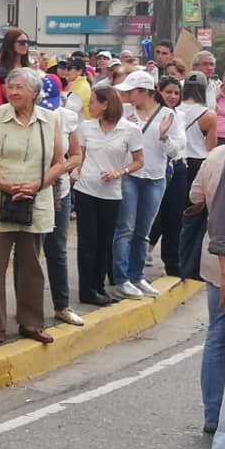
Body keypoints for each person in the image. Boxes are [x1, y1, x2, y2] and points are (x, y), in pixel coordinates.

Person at [0, 68, 64, 345]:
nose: (12, 92)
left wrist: (38, 184)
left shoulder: (49, 120)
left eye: (19, 88)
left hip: (35, 201)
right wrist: (2, 183)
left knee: (31, 266)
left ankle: (30, 322)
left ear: (34, 93)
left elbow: (60, 162)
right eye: (9, 87)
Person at [111, 70, 185, 300]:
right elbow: (112, 143)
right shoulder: (124, 113)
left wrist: (164, 137)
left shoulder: (169, 115)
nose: (128, 97)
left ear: (145, 92)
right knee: (125, 228)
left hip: (155, 178)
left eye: (131, 92)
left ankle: (137, 276)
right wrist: (124, 127)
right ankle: (121, 279)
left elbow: (176, 152)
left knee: (143, 231)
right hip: (129, 176)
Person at [72, 86, 144, 306]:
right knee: (87, 241)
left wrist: (119, 172)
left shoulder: (130, 130)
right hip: (86, 189)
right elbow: (79, 155)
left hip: (111, 193)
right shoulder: (85, 127)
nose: (89, 105)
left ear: (105, 104)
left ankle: (99, 285)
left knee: (104, 242)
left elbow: (139, 161)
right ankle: (87, 289)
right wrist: (74, 171)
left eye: (93, 101)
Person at [191, 140, 225, 449]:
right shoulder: (224, 158)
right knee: (219, 337)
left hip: (214, 262)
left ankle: (214, 415)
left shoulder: (215, 155)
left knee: (217, 337)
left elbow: (194, 196)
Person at [35, 76, 84, 326]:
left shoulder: (66, 117)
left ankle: (62, 305)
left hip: (59, 191)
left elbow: (76, 154)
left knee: (57, 249)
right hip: (31, 190)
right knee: (29, 253)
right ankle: (28, 309)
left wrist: (63, 167)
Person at [147, 76, 190, 277]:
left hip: (175, 170)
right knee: (145, 219)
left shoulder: (177, 116)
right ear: (158, 91)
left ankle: (172, 263)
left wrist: (164, 137)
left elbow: (177, 148)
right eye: (168, 92)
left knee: (174, 218)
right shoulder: (148, 112)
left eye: (176, 92)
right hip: (148, 170)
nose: (172, 96)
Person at [181, 71, 220, 282]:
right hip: (198, 164)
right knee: (195, 218)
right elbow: (211, 148)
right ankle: (190, 265)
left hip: (177, 163)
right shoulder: (208, 114)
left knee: (174, 216)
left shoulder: (174, 109)